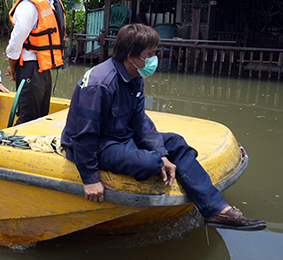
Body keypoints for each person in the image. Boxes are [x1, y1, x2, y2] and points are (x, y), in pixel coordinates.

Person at [62, 24, 266, 231]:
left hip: (121, 136)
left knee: (175, 143)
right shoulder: (100, 84)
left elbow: (140, 121)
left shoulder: (135, 77)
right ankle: (161, 165)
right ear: (132, 57)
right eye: (149, 55)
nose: (153, 59)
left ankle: (217, 210)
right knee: (151, 163)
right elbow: (84, 135)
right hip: (98, 144)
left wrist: (163, 153)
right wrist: (90, 179)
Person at [6, 0, 67, 124]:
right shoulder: (29, 6)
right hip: (30, 68)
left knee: (41, 116)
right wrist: (13, 66)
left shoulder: (53, 3)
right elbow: (15, 41)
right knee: (28, 116)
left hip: (44, 68)